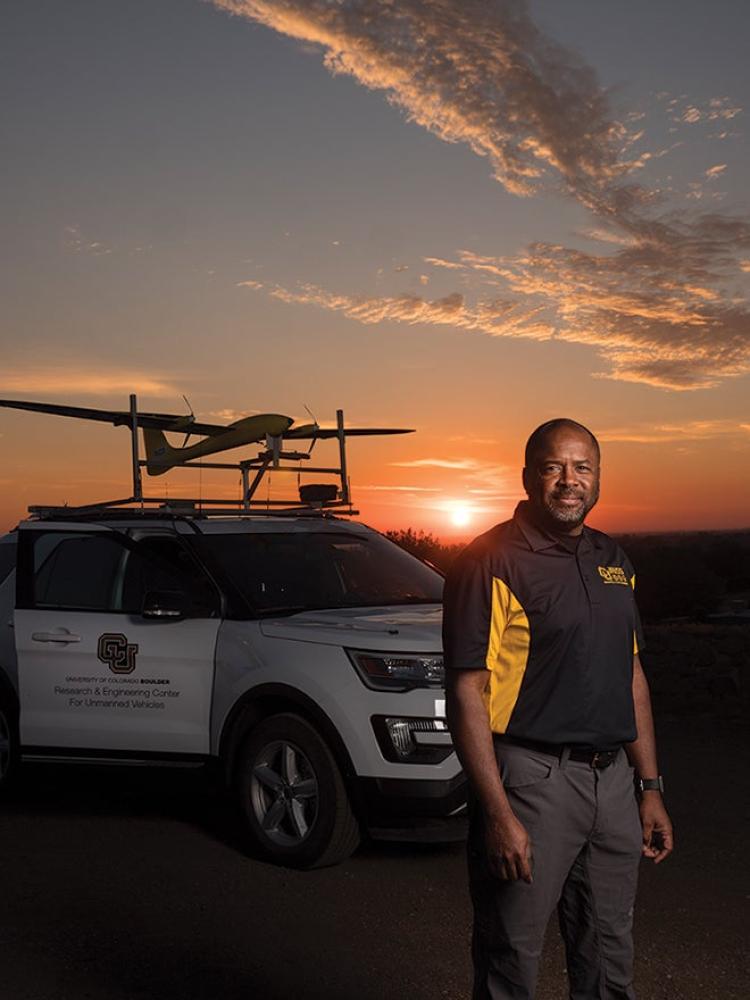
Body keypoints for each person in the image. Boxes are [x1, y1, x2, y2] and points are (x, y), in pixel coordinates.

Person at [443, 418, 673, 1000]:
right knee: (511, 960)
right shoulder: (490, 561)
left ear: (597, 478)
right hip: (531, 782)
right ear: (527, 477)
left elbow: (632, 675)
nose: (569, 481)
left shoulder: (612, 557)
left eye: (582, 468)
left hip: (614, 784)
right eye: (553, 467)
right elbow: (466, 690)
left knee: (607, 956)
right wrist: (497, 813)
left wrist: (649, 786)